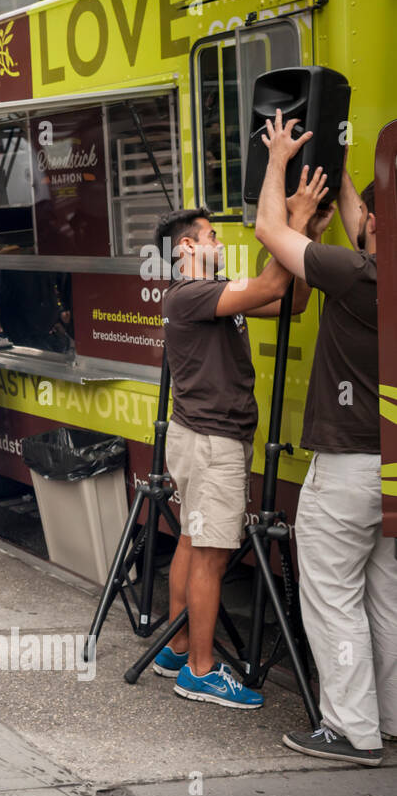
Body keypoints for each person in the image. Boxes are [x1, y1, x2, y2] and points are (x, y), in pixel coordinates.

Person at [151, 171, 325, 709]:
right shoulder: (190, 294)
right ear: (186, 248)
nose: (218, 242)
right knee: (210, 554)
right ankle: (200, 672)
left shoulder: (209, 295)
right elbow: (274, 284)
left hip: (200, 439)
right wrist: (291, 220)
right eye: (210, 237)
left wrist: (308, 235)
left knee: (189, 542)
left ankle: (177, 650)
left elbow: (290, 303)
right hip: (211, 445)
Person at [253, 112, 396, 765]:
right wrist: (339, 180)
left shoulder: (358, 275)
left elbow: (269, 232)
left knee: (333, 598)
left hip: (348, 466)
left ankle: (350, 730)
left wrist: (280, 160)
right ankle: (388, 720)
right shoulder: (372, 273)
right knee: (384, 598)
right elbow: (363, 219)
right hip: (389, 467)